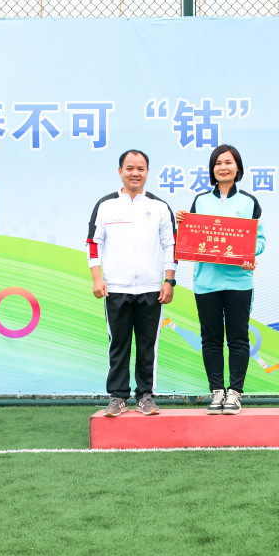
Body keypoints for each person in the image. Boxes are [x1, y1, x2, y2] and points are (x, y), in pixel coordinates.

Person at [176, 144, 265, 415]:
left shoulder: (249, 202)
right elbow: (192, 239)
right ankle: (217, 391)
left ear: (238, 168)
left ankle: (235, 393)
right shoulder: (200, 200)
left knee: (238, 338)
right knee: (211, 339)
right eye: (217, 163)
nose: (223, 167)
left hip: (239, 282)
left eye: (228, 162)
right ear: (212, 169)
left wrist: (250, 254)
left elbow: (260, 240)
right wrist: (183, 223)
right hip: (206, 283)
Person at [88, 149, 176, 417]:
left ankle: (145, 396)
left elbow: (170, 245)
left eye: (140, 168)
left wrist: (169, 281)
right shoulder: (106, 205)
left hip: (152, 290)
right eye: (129, 168)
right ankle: (118, 397)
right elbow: (93, 243)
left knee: (148, 346)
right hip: (116, 289)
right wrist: (97, 277)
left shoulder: (159, 207)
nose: (135, 173)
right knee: (119, 344)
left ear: (147, 172)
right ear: (120, 171)